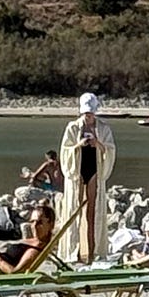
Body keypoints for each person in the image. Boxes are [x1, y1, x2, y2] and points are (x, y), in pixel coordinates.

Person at [57, 91, 116, 263]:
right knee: (75, 209)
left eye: (90, 112)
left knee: (93, 211)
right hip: (78, 171)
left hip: (94, 170)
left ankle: (93, 249)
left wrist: (97, 143)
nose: (88, 116)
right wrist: (79, 145)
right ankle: (74, 250)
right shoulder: (73, 127)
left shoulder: (103, 128)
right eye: (85, 113)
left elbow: (110, 149)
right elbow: (65, 150)